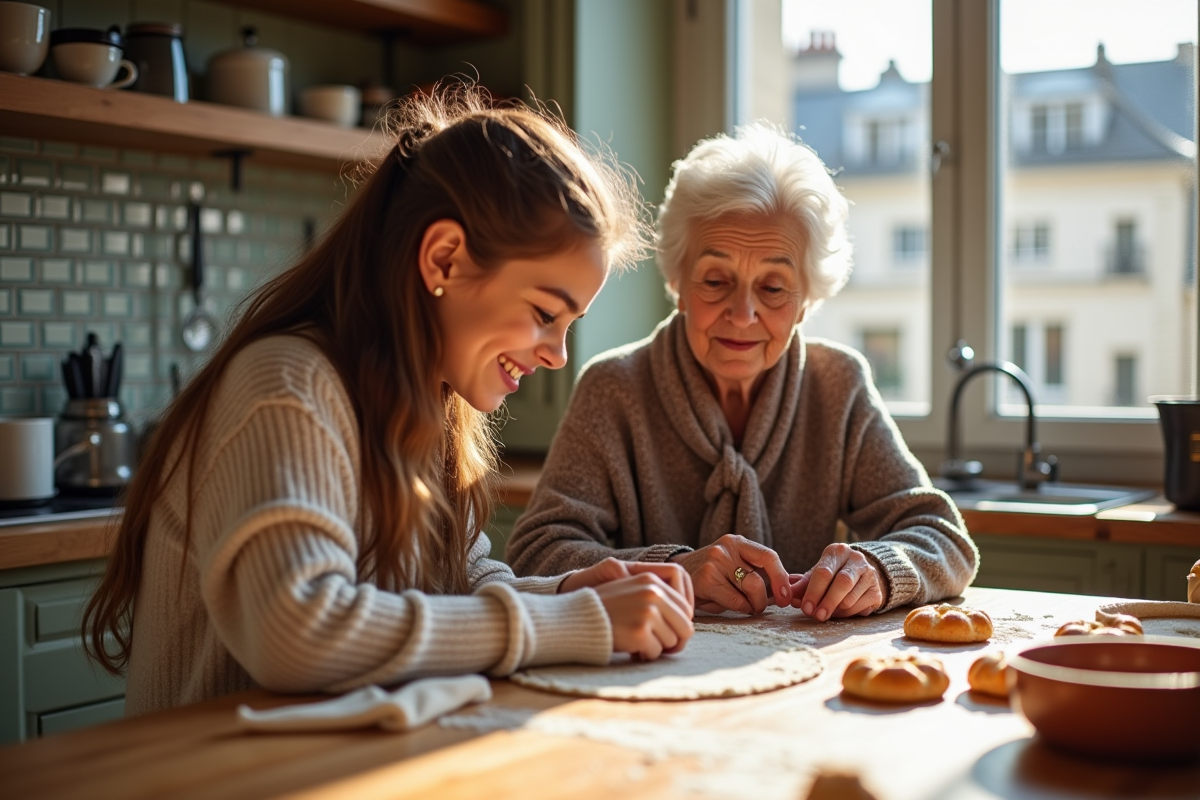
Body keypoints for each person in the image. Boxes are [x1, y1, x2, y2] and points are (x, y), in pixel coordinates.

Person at [83, 87, 695, 716]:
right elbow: (298, 633)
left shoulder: (425, 399)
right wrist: (571, 622)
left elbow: (463, 581)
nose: (557, 354)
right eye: (544, 313)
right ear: (444, 258)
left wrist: (568, 591)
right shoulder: (288, 386)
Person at [507, 122, 978, 621]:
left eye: (773, 287)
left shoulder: (837, 384)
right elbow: (537, 552)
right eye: (715, 280)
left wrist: (879, 570)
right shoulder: (614, 388)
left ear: (806, 302)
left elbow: (942, 536)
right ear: (678, 283)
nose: (742, 314)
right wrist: (674, 571)